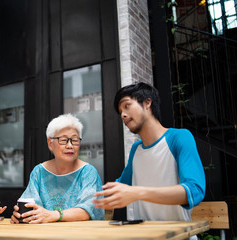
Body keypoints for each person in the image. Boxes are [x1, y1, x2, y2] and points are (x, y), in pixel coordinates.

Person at [93, 82, 205, 224]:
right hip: (145, 234)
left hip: (179, 235)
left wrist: (138, 193)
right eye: (120, 111)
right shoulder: (136, 149)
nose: (123, 115)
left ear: (147, 103)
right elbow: (119, 188)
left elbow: (194, 191)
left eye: (126, 106)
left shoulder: (179, 138)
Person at [10, 113, 104, 224]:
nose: (70, 146)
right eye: (63, 140)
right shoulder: (39, 172)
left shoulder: (87, 172)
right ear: (50, 144)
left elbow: (88, 211)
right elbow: (29, 204)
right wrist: (21, 214)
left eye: (74, 140)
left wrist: (53, 215)